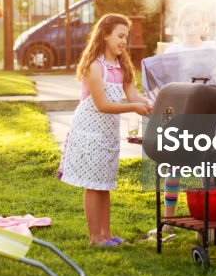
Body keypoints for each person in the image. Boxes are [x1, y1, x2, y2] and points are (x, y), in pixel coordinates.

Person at [58, 13, 152, 246]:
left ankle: (107, 235)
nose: (123, 42)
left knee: (104, 183)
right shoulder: (94, 65)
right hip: (89, 130)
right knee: (93, 185)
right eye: (120, 36)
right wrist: (133, 108)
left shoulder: (122, 65)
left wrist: (152, 103)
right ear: (105, 35)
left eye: (126, 37)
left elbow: (133, 95)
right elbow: (102, 104)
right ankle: (95, 238)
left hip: (108, 131)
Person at [147, 3, 216, 232]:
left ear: (204, 26)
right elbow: (166, 87)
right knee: (173, 168)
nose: (191, 28)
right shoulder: (172, 53)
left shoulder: (213, 49)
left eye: (196, 23)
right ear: (179, 26)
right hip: (181, 117)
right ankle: (169, 221)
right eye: (187, 23)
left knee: (207, 167)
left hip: (207, 117)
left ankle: (210, 220)